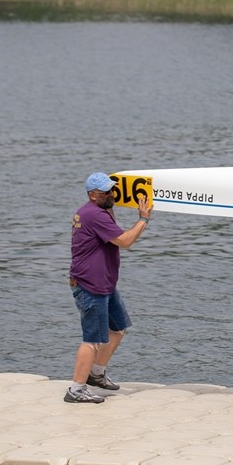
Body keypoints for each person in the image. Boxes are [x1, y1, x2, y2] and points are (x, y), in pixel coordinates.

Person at [66, 172, 153, 404]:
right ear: (92, 195)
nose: (111, 194)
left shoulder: (99, 211)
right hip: (90, 286)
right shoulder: (94, 214)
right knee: (92, 339)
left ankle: (96, 374)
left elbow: (112, 228)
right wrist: (143, 219)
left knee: (118, 328)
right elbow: (125, 241)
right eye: (106, 192)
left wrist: (112, 202)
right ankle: (76, 390)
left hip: (104, 285)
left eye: (112, 190)